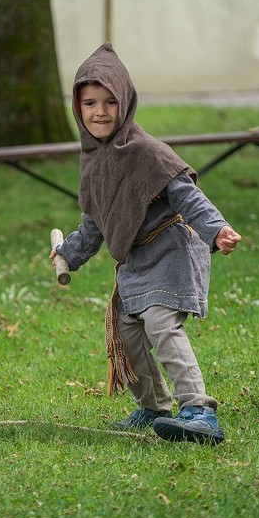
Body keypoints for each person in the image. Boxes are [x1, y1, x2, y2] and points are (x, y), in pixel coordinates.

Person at [50, 43, 242, 445]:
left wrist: (216, 229)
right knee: (127, 332)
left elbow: (188, 197)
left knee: (159, 322)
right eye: (89, 103)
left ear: (126, 102)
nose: (99, 112)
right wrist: (69, 252)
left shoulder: (147, 152)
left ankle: (200, 411)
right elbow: (95, 222)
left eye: (109, 102)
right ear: (77, 107)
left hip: (171, 249)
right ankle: (154, 406)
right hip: (136, 260)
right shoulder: (93, 158)